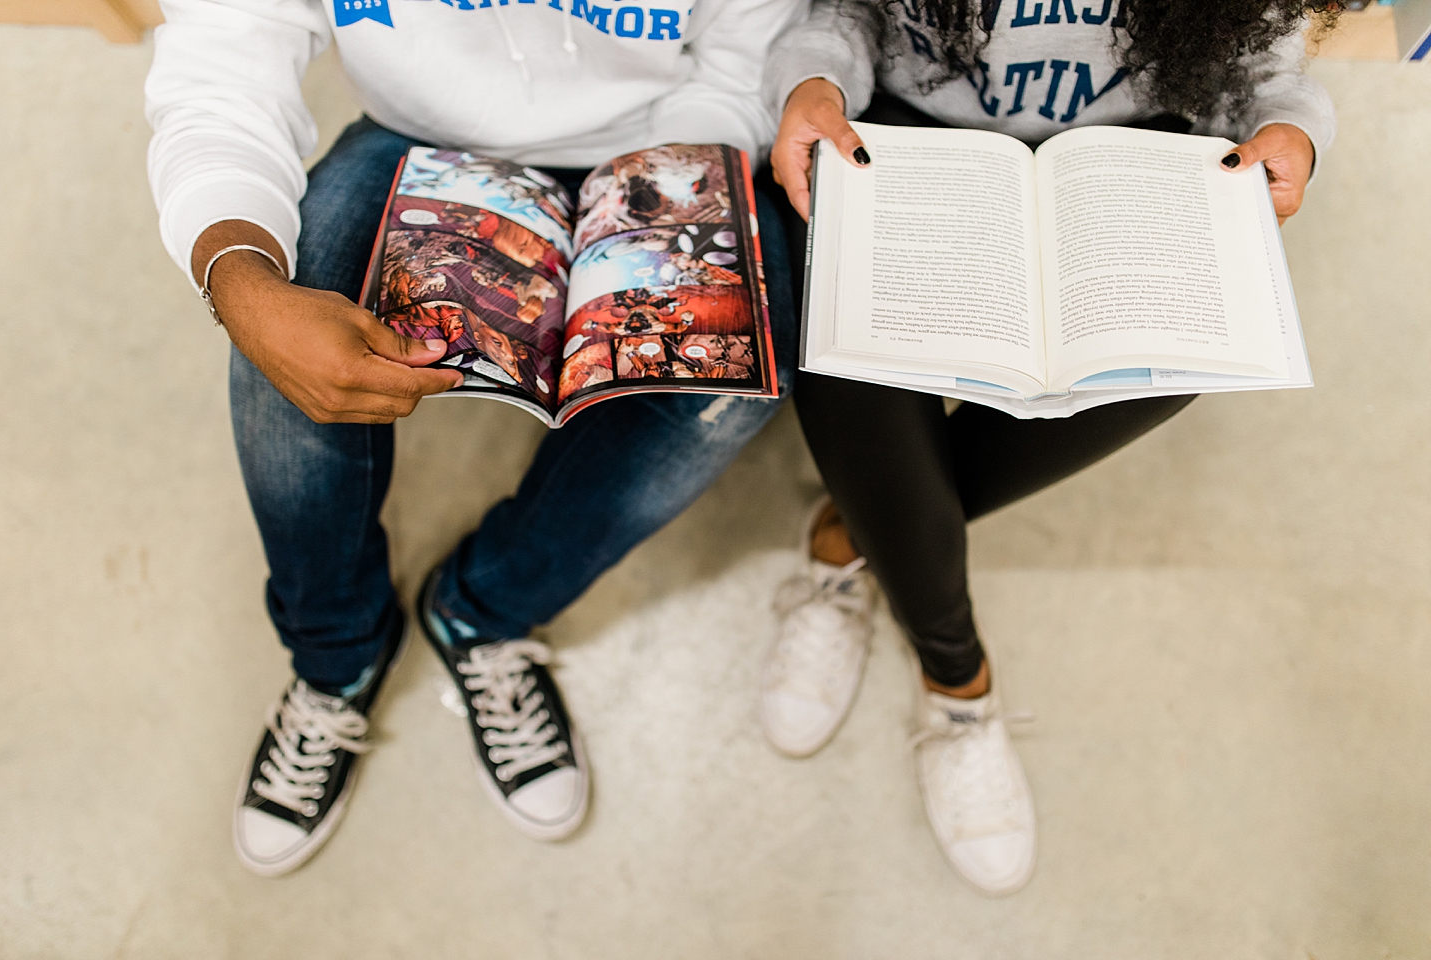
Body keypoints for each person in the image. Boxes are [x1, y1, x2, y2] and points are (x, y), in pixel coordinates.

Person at [146, 0, 803, 876]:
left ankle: (483, 610)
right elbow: (220, 66)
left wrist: (654, 199)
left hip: (658, 134)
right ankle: (335, 655)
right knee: (281, 356)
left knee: (729, 381)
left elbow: (745, 56)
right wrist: (240, 282)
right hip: (412, 133)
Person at [756, 0, 1334, 895]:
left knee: (1156, 368)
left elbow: (1266, 65)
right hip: (906, 145)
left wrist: (1287, 130)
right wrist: (813, 84)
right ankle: (958, 682)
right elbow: (840, 14)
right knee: (852, 362)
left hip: (1130, 160)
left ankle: (854, 540)